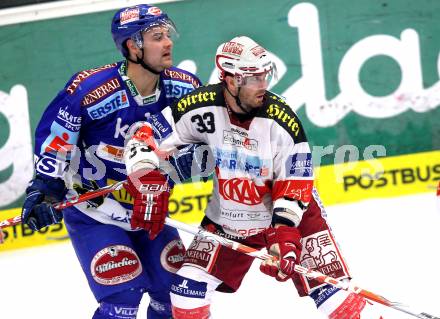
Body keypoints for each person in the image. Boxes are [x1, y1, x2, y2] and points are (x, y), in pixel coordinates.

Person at [123, 36, 385, 318]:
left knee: (338, 303)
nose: (263, 85)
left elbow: (296, 183)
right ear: (231, 80)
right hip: (229, 216)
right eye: (254, 78)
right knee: (186, 296)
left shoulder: (281, 120)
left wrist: (284, 234)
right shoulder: (198, 106)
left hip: (294, 217)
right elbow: (143, 138)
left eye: (265, 75)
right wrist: (145, 175)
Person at [20, 4, 203, 319]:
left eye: (167, 35)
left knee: (173, 292)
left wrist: (194, 160)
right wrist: (46, 187)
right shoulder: (90, 91)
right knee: (123, 298)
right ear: (133, 46)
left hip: (149, 210)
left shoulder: (185, 87)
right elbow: (57, 140)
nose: (168, 42)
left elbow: (205, 140)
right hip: (95, 209)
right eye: (157, 36)